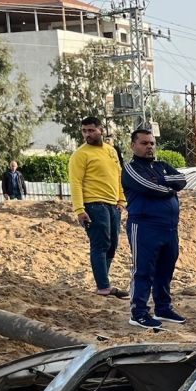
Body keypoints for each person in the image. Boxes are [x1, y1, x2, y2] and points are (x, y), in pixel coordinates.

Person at [121, 128, 187, 330]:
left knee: (165, 269)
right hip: (144, 226)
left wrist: (162, 181)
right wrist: (168, 186)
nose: (149, 146)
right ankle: (139, 313)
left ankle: (163, 308)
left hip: (169, 228)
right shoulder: (130, 168)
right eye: (144, 143)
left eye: (151, 143)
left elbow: (182, 180)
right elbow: (150, 188)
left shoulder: (161, 165)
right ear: (133, 145)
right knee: (143, 270)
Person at [69, 116, 128, 299]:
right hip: (94, 205)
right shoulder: (80, 155)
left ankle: (104, 283)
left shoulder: (111, 151)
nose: (87, 134)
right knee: (100, 244)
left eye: (91, 130)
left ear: (101, 130)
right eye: (84, 131)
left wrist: (121, 201)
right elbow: (75, 183)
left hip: (113, 206)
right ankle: (103, 286)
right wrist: (79, 209)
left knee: (112, 246)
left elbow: (119, 176)